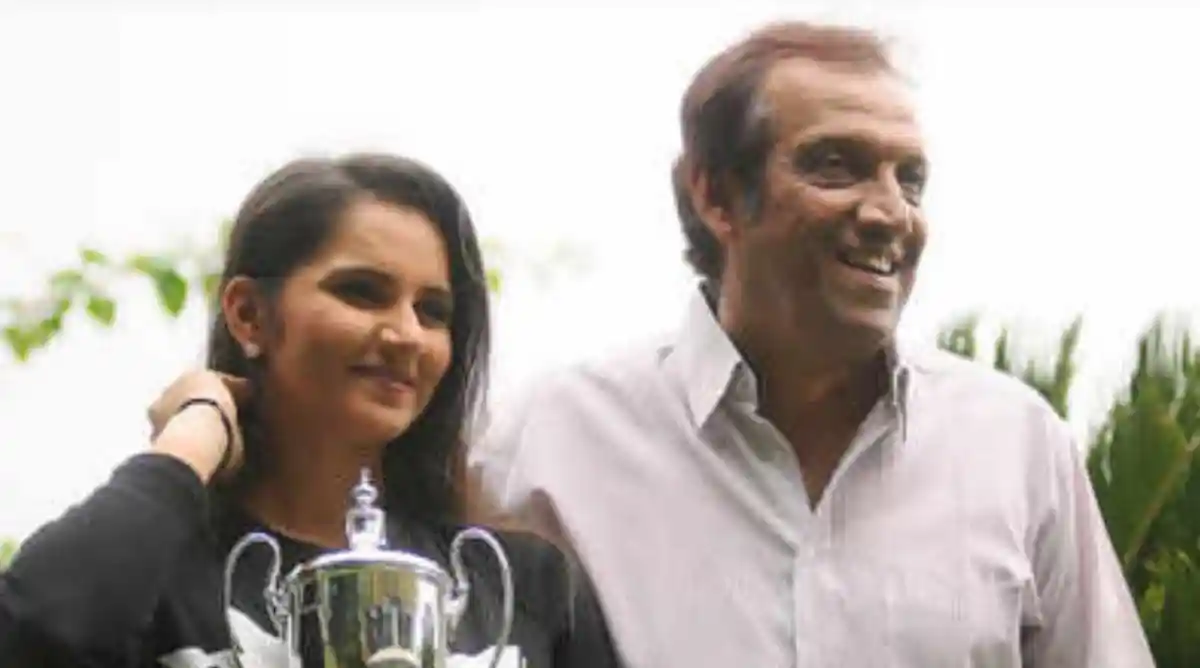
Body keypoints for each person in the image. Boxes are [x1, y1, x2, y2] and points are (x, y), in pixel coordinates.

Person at [470, 21, 1155, 668]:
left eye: (910, 180)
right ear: (715, 195)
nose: (890, 213)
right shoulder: (551, 443)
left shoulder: (1018, 447)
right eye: (836, 166)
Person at [0, 153, 620, 668]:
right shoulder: (155, 577)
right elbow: (32, 633)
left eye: (432, 311)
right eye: (362, 292)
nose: (407, 335)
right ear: (248, 315)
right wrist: (192, 436)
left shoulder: (522, 586)